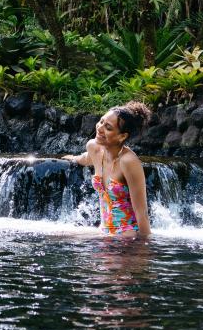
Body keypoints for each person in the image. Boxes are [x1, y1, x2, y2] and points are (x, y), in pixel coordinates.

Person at [63, 101, 153, 239]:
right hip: (104, 231)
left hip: (128, 235)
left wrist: (144, 247)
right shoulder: (94, 148)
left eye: (108, 127)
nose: (100, 128)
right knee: (57, 236)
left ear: (122, 136)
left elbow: (141, 212)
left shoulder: (128, 161)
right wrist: (73, 158)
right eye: (101, 121)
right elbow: (86, 158)